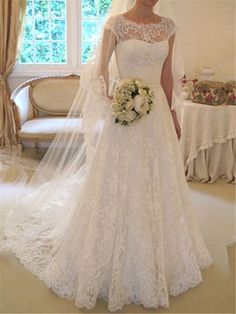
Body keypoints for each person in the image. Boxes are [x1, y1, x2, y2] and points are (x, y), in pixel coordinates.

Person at [0, 0, 213, 312]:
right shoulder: (116, 25)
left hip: (158, 120)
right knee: (119, 178)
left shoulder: (169, 27)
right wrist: (112, 96)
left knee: (158, 178)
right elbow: (100, 70)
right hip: (125, 114)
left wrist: (172, 112)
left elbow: (166, 76)